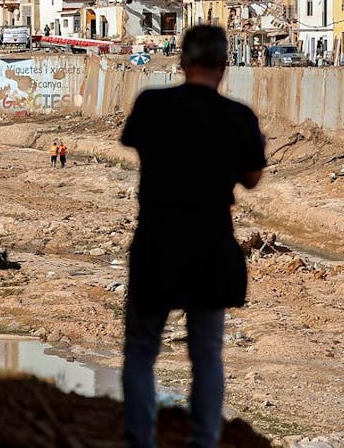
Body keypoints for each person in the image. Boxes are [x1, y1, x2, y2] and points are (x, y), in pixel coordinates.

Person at [119, 25, 266, 448]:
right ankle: (204, 442)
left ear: (181, 63)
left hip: (158, 241)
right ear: (224, 66)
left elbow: (137, 144)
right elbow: (252, 179)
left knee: (143, 349)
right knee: (206, 355)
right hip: (211, 243)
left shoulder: (152, 104)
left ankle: (139, 440)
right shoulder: (239, 117)